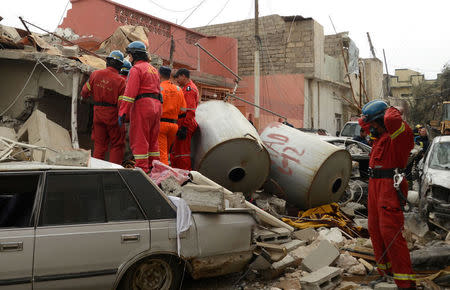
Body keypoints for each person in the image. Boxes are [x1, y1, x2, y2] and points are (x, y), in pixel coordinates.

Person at [359, 100, 416, 289]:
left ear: (382, 121)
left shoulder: (400, 135)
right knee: (375, 230)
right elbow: (364, 124)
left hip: (389, 187)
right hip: (376, 186)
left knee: (390, 233)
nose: (370, 129)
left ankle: (405, 283)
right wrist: (368, 116)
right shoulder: (380, 138)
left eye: (374, 124)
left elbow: (391, 118)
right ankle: (386, 274)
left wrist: (389, 108)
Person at [118, 41, 162, 173]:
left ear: (135, 55)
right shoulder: (153, 70)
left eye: (130, 56)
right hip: (156, 107)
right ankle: (155, 169)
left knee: (140, 139)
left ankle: (142, 169)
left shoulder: (136, 69)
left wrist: (123, 112)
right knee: (153, 140)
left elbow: (129, 94)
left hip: (143, 106)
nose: (129, 59)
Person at [81, 50, 126, 165]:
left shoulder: (95, 74)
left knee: (99, 145)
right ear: (120, 66)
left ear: (108, 62)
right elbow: (121, 105)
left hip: (97, 115)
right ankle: (114, 171)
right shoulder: (121, 81)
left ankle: (96, 170)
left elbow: (84, 92)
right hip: (112, 116)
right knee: (117, 144)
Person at [157, 66, 186, 165]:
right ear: (170, 76)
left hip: (161, 125)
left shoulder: (159, 88)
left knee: (162, 154)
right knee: (167, 152)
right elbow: (183, 110)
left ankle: (163, 177)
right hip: (174, 126)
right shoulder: (178, 89)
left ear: (159, 75)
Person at [171, 68, 199, 170]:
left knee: (182, 153)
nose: (177, 80)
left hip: (185, 123)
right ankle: (179, 174)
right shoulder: (187, 88)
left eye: (178, 77)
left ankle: (185, 175)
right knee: (177, 152)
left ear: (183, 76)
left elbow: (190, 110)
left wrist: (184, 127)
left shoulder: (189, 90)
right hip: (183, 123)